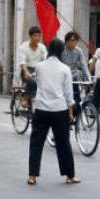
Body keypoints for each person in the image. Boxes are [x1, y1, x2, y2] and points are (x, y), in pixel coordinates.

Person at [27, 38, 80, 185]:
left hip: (42, 109)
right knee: (63, 144)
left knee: (36, 143)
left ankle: (32, 175)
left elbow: (35, 83)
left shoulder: (39, 66)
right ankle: (70, 176)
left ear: (49, 50)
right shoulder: (65, 69)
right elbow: (69, 94)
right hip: (59, 110)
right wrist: (70, 112)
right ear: (61, 51)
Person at [62, 31, 91, 118]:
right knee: (63, 101)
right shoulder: (61, 50)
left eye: (76, 41)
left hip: (74, 78)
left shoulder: (78, 51)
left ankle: (74, 121)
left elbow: (83, 65)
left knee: (77, 101)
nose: (74, 43)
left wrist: (89, 78)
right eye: (72, 40)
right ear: (66, 41)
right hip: (63, 79)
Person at [17, 26, 47, 106]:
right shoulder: (24, 46)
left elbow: (45, 59)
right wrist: (26, 72)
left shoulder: (42, 47)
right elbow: (22, 62)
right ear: (30, 36)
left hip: (38, 69)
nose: (37, 38)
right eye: (35, 36)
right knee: (32, 80)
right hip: (26, 69)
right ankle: (25, 97)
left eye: (39, 36)